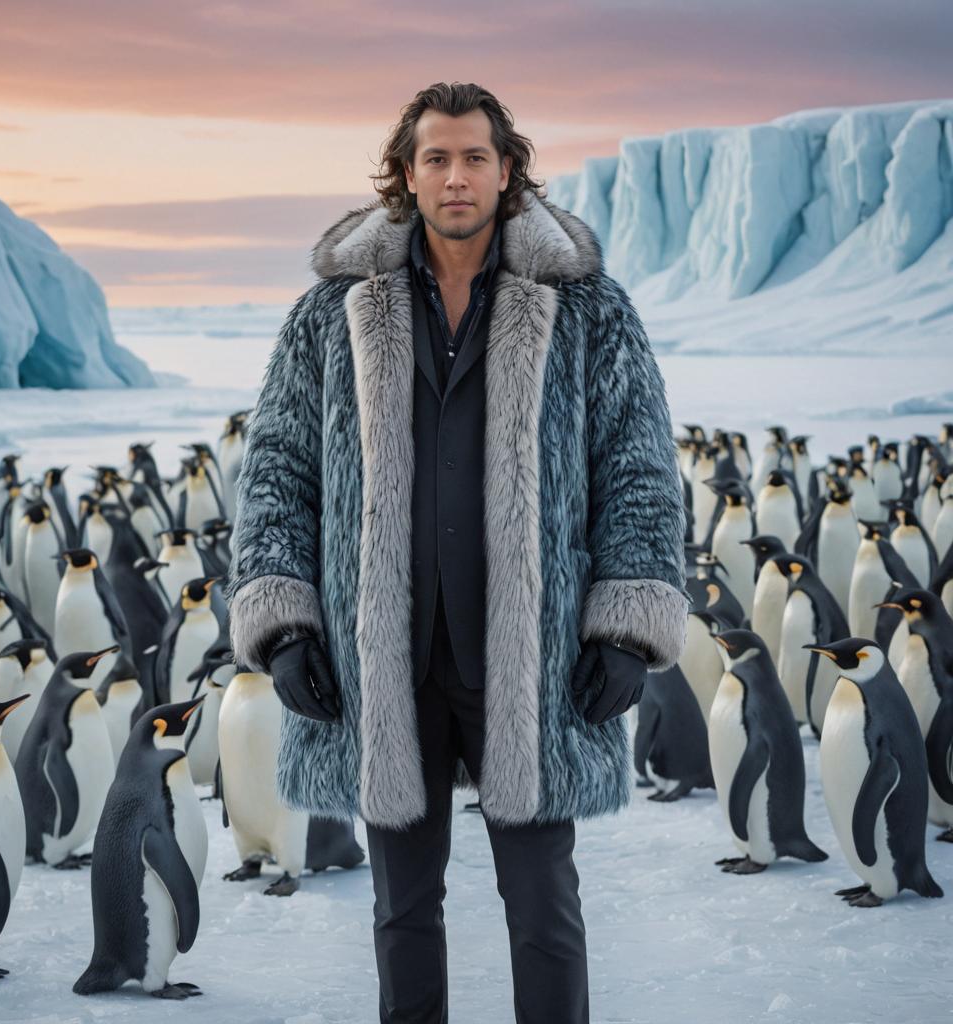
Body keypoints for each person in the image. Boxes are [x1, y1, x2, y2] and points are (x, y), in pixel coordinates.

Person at [226, 81, 688, 1024]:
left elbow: (639, 466)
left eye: (475, 156)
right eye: (435, 157)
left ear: (508, 168)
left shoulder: (585, 307)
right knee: (400, 908)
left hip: (530, 653)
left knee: (543, 904)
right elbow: (277, 468)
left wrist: (626, 629)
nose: (455, 176)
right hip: (383, 657)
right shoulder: (333, 313)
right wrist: (283, 624)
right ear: (404, 172)